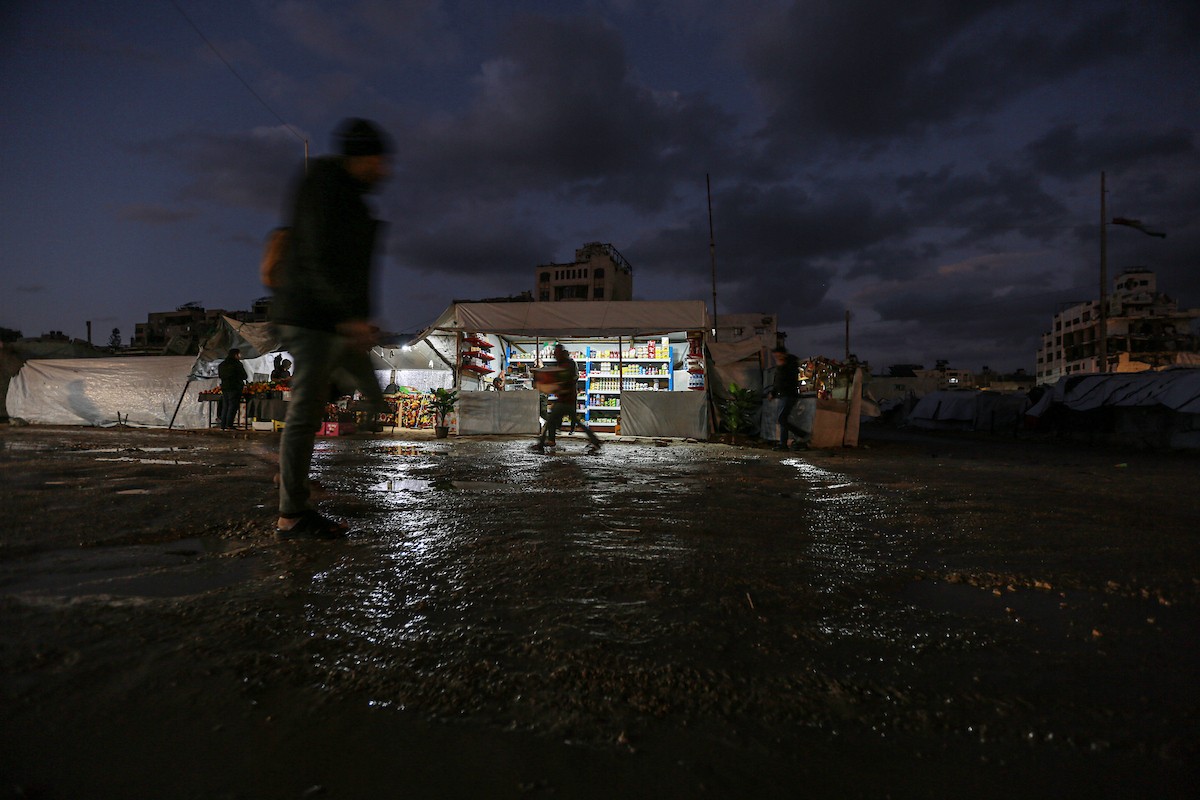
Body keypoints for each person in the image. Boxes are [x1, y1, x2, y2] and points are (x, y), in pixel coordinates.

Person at [269, 118, 392, 539]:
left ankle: (290, 476)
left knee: (342, 391)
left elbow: (350, 265)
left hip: (329, 318)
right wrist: (348, 315)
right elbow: (317, 256)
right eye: (379, 160)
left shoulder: (350, 197)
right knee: (305, 411)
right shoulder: (326, 187)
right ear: (363, 157)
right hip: (312, 316)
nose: (385, 170)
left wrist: (360, 316)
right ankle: (292, 513)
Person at [534, 344, 601, 453]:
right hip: (566, 397)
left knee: (552, 420)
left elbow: (568, 379)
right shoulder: (565, 363)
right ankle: (595, 440)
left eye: (556, 353)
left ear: (560, 353)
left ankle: (545, 442)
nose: (555, 355)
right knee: (564, 420)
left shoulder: (568, 364)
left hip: (566, 398)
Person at [768, 345, 808, 450]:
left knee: (782, 419)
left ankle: (802, 434)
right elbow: (777, 381)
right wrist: (773, 393)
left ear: (783, 354)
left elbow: (789, 380)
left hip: (789, 395)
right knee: (783, 420)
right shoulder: (781, 365)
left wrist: (782, 366)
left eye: (778, 356)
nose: (776, 358)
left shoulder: (790, 364)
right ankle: (783, 444)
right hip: (782, 395)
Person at [217, 348, 246, 430]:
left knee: (225, 406)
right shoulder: (237, 364)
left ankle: (223, 425)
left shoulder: (222, 364)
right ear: (236, 355)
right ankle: (229, 424)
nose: (240, 356)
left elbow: (220, 376)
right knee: (232, 406)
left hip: (225, 387)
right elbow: (244, 376)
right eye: (239, 354)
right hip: (234, 387)